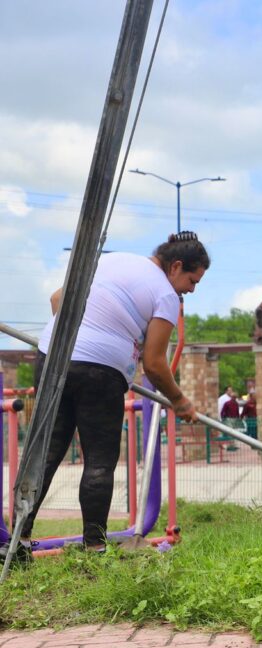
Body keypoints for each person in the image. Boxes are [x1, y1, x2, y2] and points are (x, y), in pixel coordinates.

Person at [2, 231, 207, 563]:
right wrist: (181, 401)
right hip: (101, 372)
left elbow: (57, 299)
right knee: (99, 461)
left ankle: (18, 544)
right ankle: (94, 550)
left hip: (53, 357)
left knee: (45, 453)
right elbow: (155, 364)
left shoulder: (112, 261)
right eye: (192, 280)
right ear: (176, 266)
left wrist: (81, 338)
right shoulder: (166, 295)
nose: (191, 289)